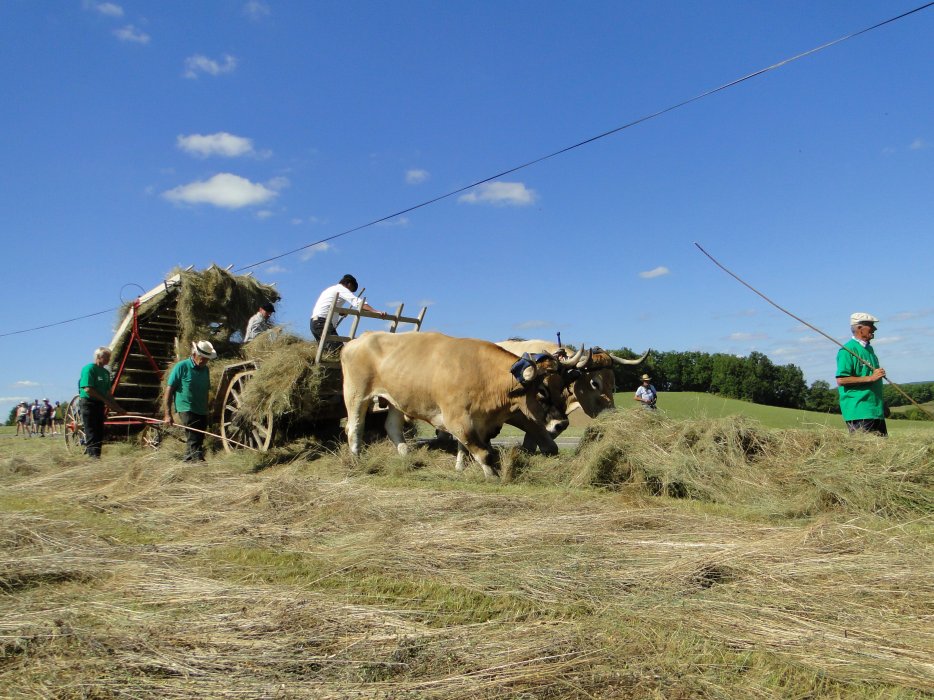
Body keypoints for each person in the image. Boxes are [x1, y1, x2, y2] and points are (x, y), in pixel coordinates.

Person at [164, 340, 217, 462]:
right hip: (186, 408)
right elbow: (169, 390)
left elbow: (205, 391)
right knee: (194, 438)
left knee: (198, 438)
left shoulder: (206, 370)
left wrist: (207, 410)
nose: (204, 361)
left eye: (207, 359)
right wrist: (167, 414)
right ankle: (198, 462)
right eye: (202, 358)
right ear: (194, 354)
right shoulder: (181, 366)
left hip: (201, 409)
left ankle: (187, 463)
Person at [836, 312, 887, 436]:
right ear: (859, 328)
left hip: (875, 410)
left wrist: (882, 403)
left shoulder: (869, 349)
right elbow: (841, 380)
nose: (875, 328)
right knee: (864, 451)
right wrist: (871, 378)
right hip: (859, 410)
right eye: (871, 325)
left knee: (883, 451)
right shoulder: (847, 351)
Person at [309, 274, 387, 350]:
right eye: (351, 290)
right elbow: (357, 302)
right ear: (348, 284)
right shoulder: (341, 289)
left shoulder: (330, 289)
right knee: (340, 352)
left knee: (327, 352)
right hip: (322, 323)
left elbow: (327, 306)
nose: (350, 292)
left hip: (315, 323)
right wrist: (374, 311)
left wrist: (341, 312)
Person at [78, 347, 126, 457]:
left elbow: (108, 393)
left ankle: (97, 457)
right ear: (98, 357)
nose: (109, 359)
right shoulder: (89, 369)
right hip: (88, 404)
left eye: (109, 357)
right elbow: (88, 389)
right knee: (91, 431)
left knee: (99, 432)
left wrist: (117, 407)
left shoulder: (105, 373)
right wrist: (106, 402)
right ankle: (93, 459)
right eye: (107, 357)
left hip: (99, 405)